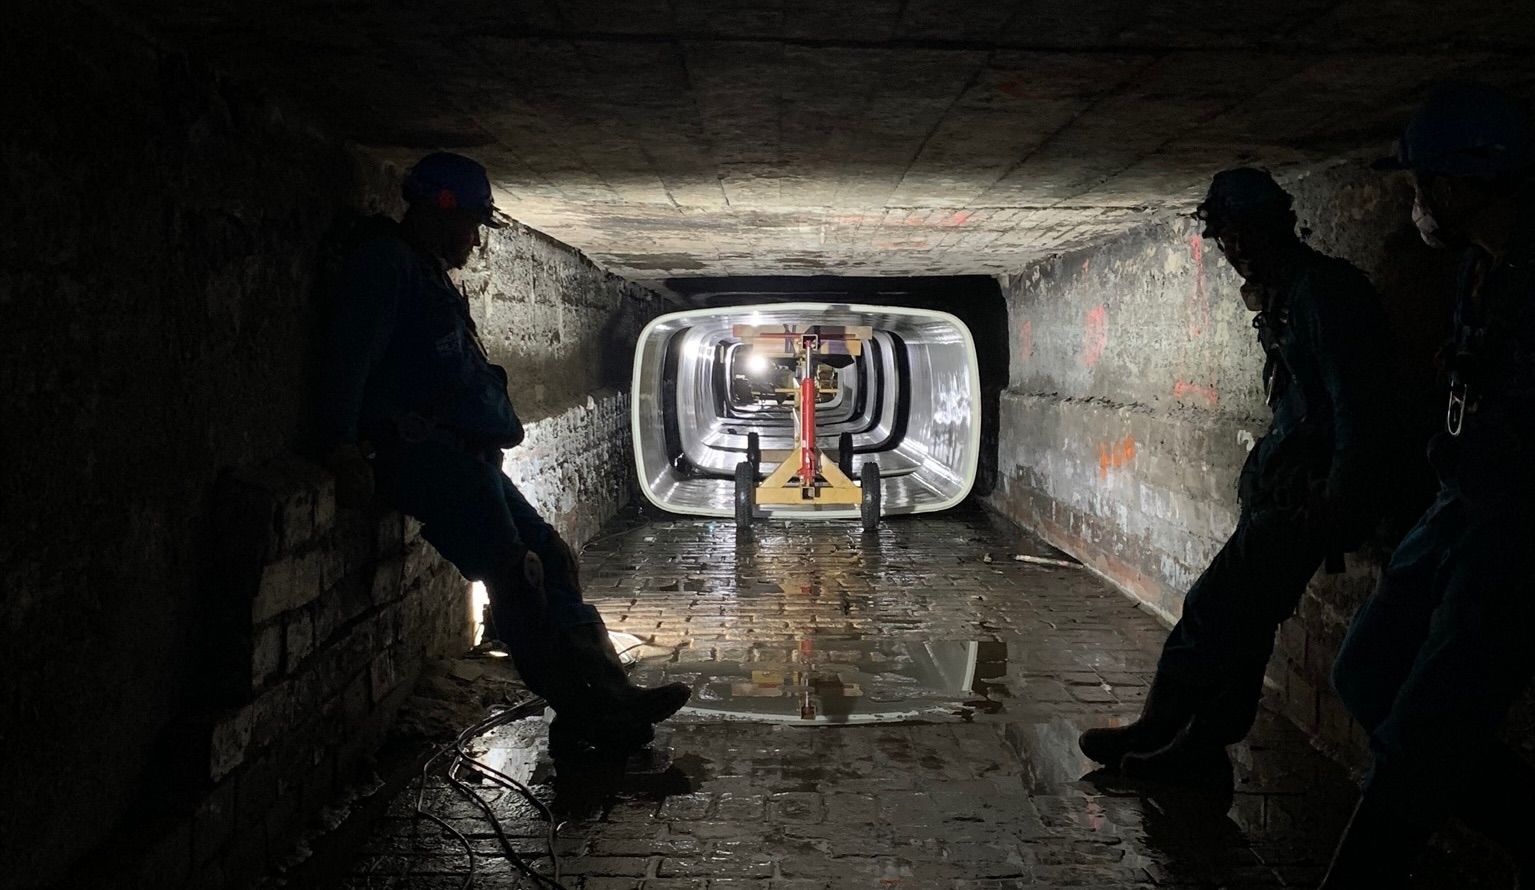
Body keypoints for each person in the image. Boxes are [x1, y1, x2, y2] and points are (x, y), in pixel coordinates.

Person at [316, 151, 689, 761]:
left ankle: (609, 693)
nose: (474, 241)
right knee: (517, 575)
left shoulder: (424, 271)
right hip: (425, 457)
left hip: (467, 455)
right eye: (469, 224)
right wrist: (340, 448)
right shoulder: (385, 267)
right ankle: (586, 711)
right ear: (438, 211)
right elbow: (347, 360)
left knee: (550, 553)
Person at [1077, 168, 1397, 784]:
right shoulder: (1287, 294)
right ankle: (1196, 744)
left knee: (1212, 611)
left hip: (1305, 501)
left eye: (1248, 232)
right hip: (1285, 492)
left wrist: (1336, 501)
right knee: (1245, 625)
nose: (1239, 250)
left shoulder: (1323, 295)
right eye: (1228, 237)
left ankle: (1162, 729)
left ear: (1281, 223)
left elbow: (1361, 407)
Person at [1322, 83, 1535, 887]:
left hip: (1513, 524)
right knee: (1363, 675)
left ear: (1454, 185)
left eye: (1418, 187)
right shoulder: (1481, 270)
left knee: (1425, 729)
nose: (1415, 204)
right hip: (1458, 502)